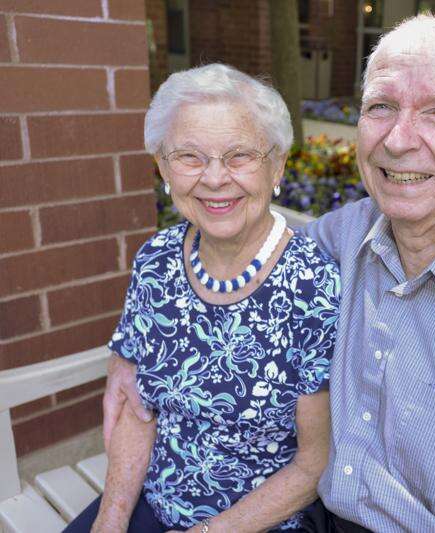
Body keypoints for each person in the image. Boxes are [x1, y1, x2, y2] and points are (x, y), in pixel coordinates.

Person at [105, 14, 435, 531]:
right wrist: (131, 354)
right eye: (381, 107)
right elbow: (240, 252)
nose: (399, 140)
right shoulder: (344, 237)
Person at [69, 64, 340, 533]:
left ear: (277, 165)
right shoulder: (156, 261)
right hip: (156, 498)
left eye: (239, 156)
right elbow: (138, 410)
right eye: (189, 157)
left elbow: (315, 464)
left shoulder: (313, 286)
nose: (215, 179)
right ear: (163, 167)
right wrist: (110, 521)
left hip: (262, 519)